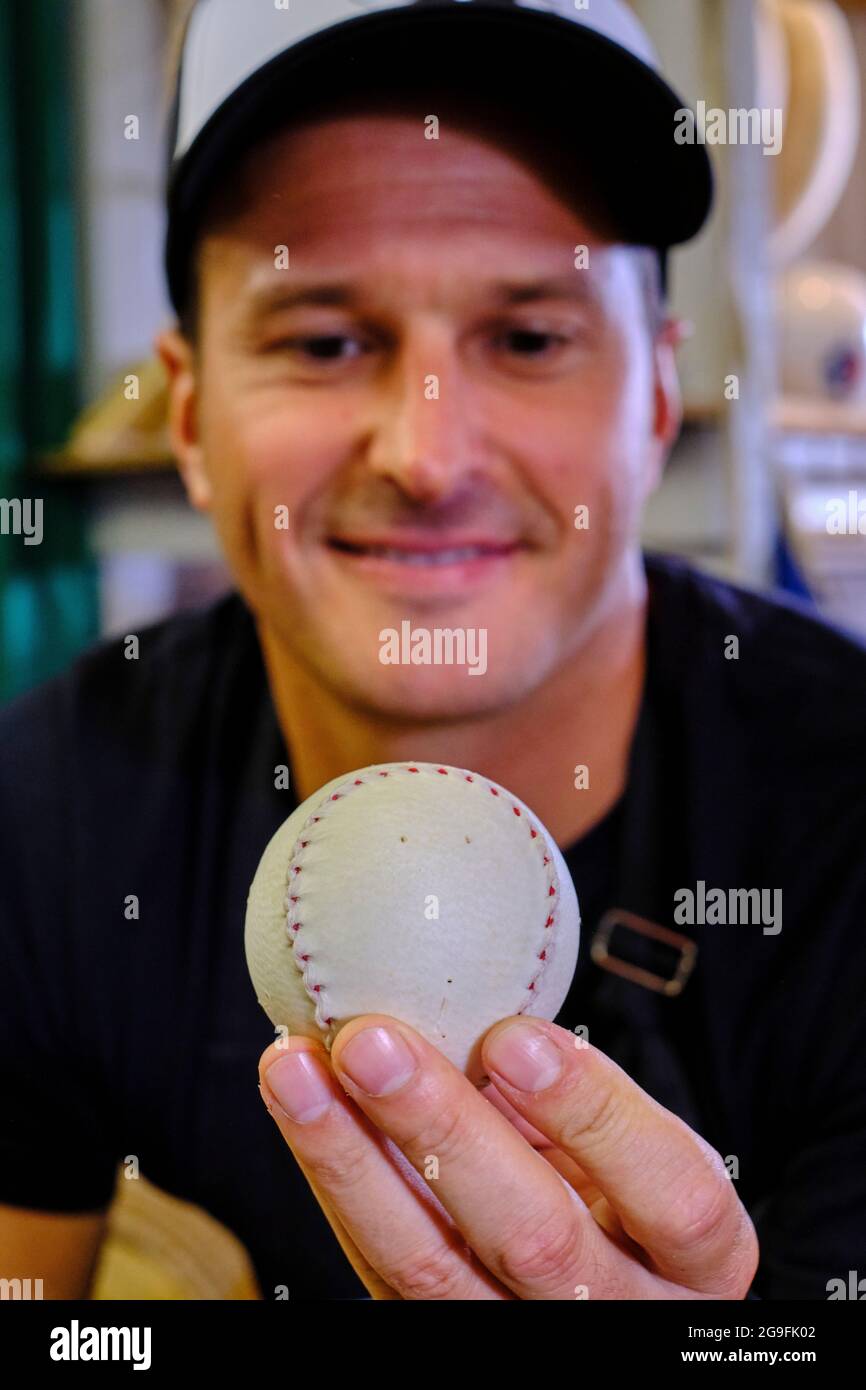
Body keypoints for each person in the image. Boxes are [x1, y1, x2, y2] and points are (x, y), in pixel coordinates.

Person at [1, 0, 865, 1301]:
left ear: (650, 398)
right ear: (188, 414)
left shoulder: (840, 819)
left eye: (527, 338)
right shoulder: (51, 806)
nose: (425, 456)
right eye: (324, 341)